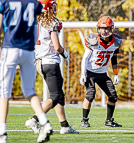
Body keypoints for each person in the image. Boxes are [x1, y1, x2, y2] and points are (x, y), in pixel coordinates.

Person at [0, 0, 53, 143]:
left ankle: (2, 133)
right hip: (29, 50)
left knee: (4, 92)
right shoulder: (34, 3)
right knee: (30, 90)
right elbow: (36, 30)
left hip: (10, 47)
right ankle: (44, 122)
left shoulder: (5, 2)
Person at [25, 0, 79, 134]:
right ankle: (34, 119)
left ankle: (64, 126)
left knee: (58, 95)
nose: (54, 9)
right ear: (47, 7)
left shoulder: (35, 22)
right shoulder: (51, 22)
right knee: (55, 96)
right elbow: (56, 46)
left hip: (39, 61)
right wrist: (65, 54)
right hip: (50, 61)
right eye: (52, 6)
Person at [80, 16, 122, 128]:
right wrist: (83, 73)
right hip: (90, 72)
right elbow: (85, 58)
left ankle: (109, 121)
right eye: (102, 28)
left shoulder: (115, 42)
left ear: (111, 29)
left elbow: (114, 58)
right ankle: (84, 120)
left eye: (106, 28)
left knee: (113, 96)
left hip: (103, 73)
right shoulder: (93, 40)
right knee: (90, 95)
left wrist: (116, 73)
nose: (104, 31)